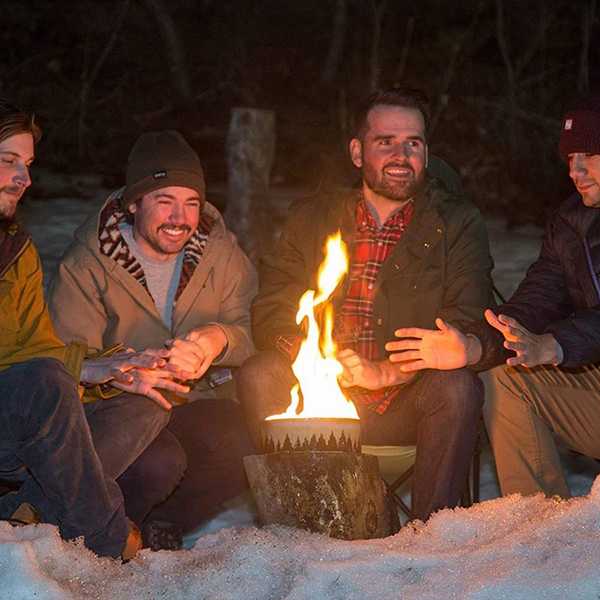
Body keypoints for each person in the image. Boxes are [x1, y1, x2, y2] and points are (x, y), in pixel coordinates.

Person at [237, 87, 495, 522]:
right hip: (320, 400)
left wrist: (391, 372)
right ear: (357, 152)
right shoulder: (313, 218)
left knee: (457, 387)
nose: (401, 155)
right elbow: (272, 307)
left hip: (407, 403)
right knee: (260, 372)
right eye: (385, 142)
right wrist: (317, 359)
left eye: (413, 143)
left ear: (426, 154)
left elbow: (467, 317)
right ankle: (301, 526)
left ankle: (433, 538)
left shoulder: (455, 223)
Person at [0, 99, 189, 560]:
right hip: (19, 409)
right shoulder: (86, 263)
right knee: (44, 382)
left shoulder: (16, 249)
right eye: (8, 162)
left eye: (26, 165)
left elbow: (34, 348)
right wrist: (77, 372)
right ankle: (105, 539)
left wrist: (110, 372)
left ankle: (27, 513)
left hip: (23, 412)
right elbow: (36, 373)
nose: (24, 178)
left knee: (146, 405)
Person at [49, 130, 257, 548]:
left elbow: (247, 335)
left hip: (194, 402)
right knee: (161, 461)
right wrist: (123, 372)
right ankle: (104, 536)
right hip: (121, 412)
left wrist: (214, 341)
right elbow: (63, 362)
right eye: (165, 201)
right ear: (133, 203)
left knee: (249, 441)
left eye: (191, 203)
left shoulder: (222, 255)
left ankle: (163, 526)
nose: (180, 218)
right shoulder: (88, 264)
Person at [386, 94, 600, 500]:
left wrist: (554, 346)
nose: (575, 170)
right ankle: (535, 524)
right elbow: (536, 301)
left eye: (589, 154)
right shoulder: (571, 223)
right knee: (504, 374)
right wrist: (472, 346)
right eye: (570, 157)